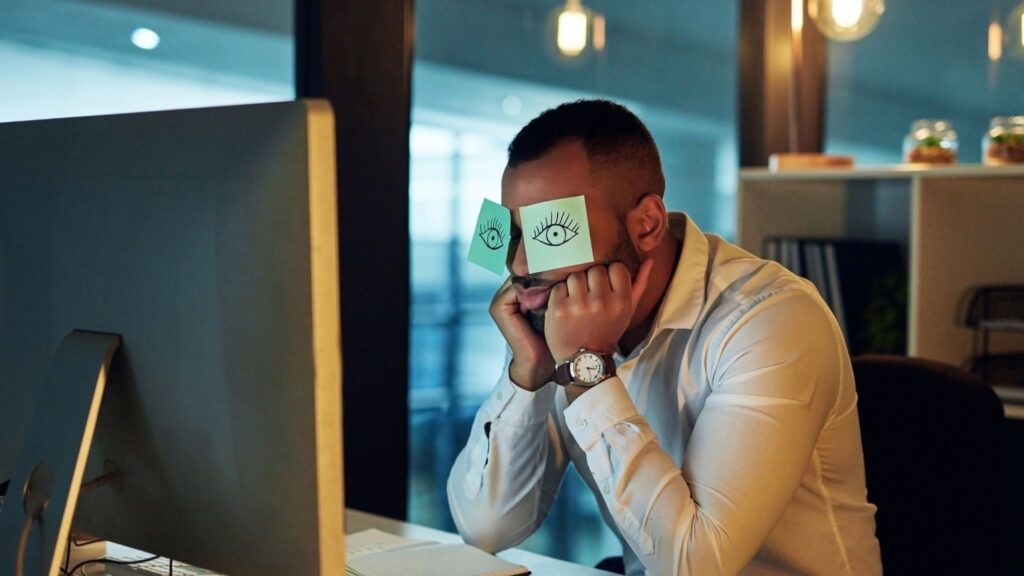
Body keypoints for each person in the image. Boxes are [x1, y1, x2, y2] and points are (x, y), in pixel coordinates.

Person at [447, 99, 882, 576]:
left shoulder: (773, 319)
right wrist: (526, 372)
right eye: (512, 233)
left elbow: (695, 566)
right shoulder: (558, 317)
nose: (522, 266)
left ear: (647, 225)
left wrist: (586, 372)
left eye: (552, 231)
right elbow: (487, 529)